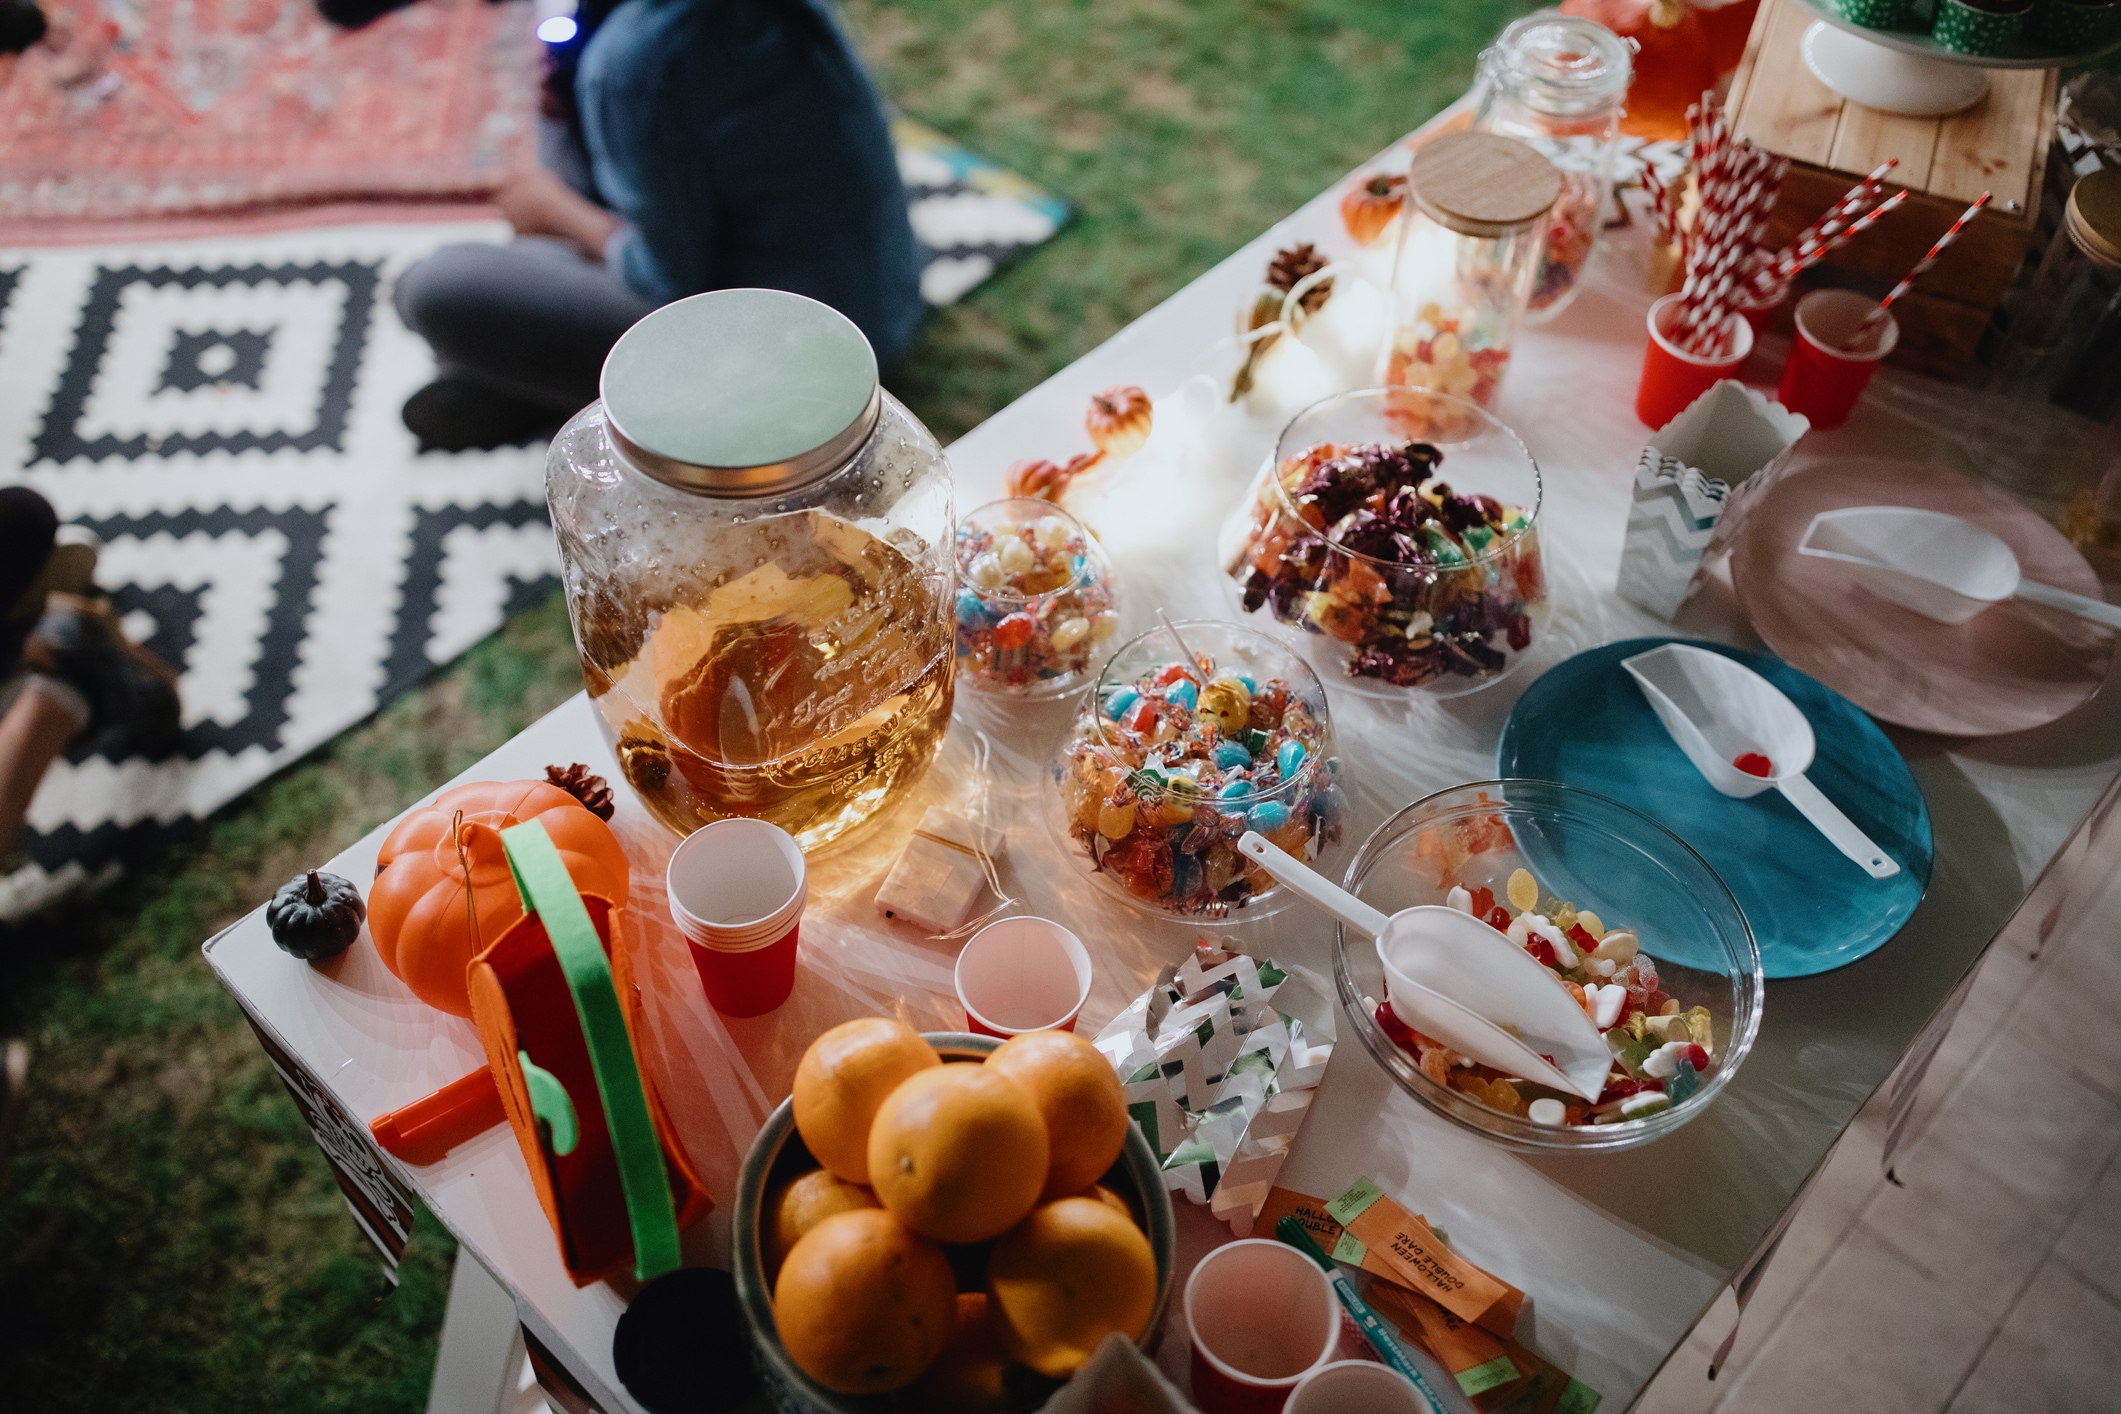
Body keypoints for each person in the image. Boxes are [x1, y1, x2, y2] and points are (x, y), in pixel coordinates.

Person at [392, 0, 925, 452]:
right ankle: (526, 362)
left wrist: (556, 211)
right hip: (875, 300)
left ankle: (555, 389)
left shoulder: (634, 61)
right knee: (553, 124)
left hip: (800, 371)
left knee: (429, 289)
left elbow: (666, 279)